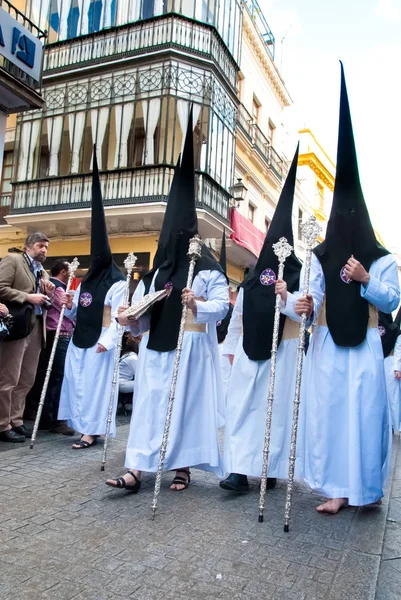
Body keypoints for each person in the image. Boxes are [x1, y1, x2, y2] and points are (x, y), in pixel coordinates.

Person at [281, 64, 400, 514]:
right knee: (332, 416)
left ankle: (365, 490)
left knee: (364, 418)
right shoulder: (318, 255)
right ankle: (336, 489)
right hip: (328, 346)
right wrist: (296, 302)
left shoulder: (382, 256)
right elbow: (306, 305)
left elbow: (393, 300)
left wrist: (368, 280)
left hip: (366, 343)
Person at [106, 108, 229, 493]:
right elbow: (143, 315)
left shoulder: (206, 269)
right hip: (156, 349)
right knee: (149, 408)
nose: (167, 244)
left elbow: (223, 306)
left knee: (184, 408)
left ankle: (183, 467)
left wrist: (197, 305)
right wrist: (129, 319)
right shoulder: (156, 273)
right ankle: (137, 469)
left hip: (191, 347)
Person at [220, 146, 302, 493]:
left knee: (272, 414)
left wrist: (286, 296)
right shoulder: (253, 277)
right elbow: (238, 314)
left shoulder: (299, 273)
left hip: (282, 355)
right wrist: (230, 348)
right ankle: (238, 471)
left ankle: (267, 469)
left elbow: (304, 311)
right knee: (242, 410)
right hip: (247, 355)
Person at [58, 152, 126, 449]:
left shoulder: (118, 281)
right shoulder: (86, 279)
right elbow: (78, 311)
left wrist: (108, 341)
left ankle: (92, 430)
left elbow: (119, 317)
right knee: (76, 382)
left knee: (96, 387)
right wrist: (69, 304)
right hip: (79, 337)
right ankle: (78, 424)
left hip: (100, 340)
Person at [0, 233, 54, 442]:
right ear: (28, 247)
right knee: (8, 378)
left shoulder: (41, 271)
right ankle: (3, 424)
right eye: (41, 246)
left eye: (46, 247)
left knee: (26, 379)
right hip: (17, 326)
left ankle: (16, 420)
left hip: (36, 326)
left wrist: (47, 288)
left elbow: (46, 293)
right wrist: (27, 297)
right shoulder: (13, 260)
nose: (44, 250)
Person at [25, 259, 75, 435]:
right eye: (70, 269)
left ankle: (45, 416)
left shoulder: (51, 285)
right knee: (56, 377)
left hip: (51, 334)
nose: (73, 272)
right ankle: (54, 419)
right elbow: (67, 312)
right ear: (62, 271)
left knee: (48, 376)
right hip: (59, 334)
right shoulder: (59, 288)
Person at [379, 310, 401, 432]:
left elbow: (398, 348)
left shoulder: (395, 331)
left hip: (391, 364)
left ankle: (395, 425)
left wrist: (397, 367)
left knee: (393, 396)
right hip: (378, 363)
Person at [117, 334, 139, 414]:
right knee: (143, 384)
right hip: (123, 384)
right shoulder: (133, 358)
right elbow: (138, 373)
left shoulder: (126, 355)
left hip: (119, 383)